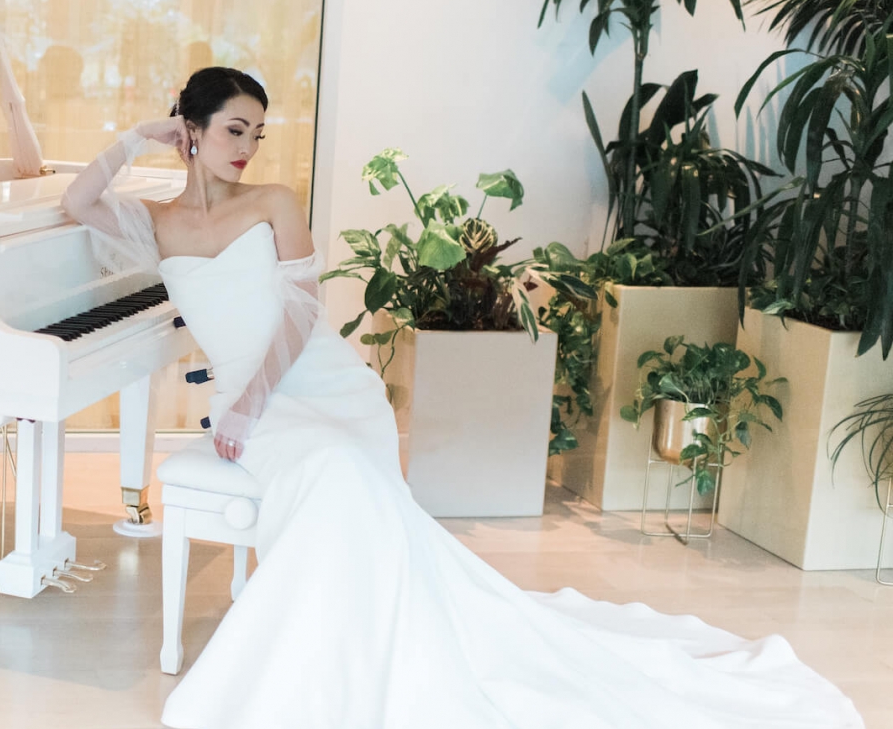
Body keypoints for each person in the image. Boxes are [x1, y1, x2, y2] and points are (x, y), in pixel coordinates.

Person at [61, 66, 863, 729]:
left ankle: (369, 652)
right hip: (250, 400)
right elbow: (76, 205)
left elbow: (304, 315)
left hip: (312, 386)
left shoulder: (271, 201)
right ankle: (343, 653)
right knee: (337, 482)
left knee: (343, 464)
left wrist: (246, 407)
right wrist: (138, 135)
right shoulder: (156, 224)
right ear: (191, 128)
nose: (247, 147)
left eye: (257, 133)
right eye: (233, 128)